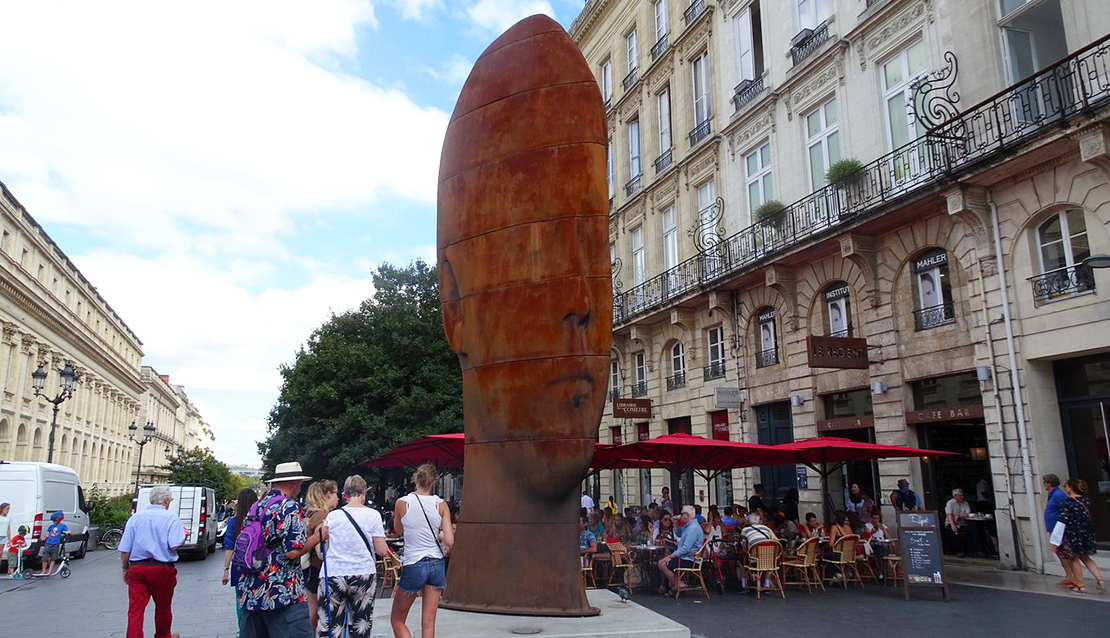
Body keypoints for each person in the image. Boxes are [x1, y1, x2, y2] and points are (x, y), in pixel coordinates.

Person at [238, 461, 326, 638]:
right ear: (294, 483)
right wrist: (318, 537)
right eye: (300, 484)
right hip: (281, 591)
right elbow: (293, 551)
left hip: (252, 590)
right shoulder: (290, 507)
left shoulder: (258, 505)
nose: (300, 488)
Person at [318, 474, 388, 638]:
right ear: (364, 492)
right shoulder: (373, 515)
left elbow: (326, 547)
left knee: (330, 629)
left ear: (345, 494)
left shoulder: (332, 516)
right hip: (362, 574)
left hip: (333, 575)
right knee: (360, 628)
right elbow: (381, 550)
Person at [391, 465, 454, 638]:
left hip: (414, 563)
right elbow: (449, 540)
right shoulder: (440, 504)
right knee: (428, 624)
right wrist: (439, 535)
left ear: (415, 479)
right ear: (433, 481)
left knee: (397, 620)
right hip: (436, 563)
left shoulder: (403, 503)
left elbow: (398, 530)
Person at [119, 485, 186, 638]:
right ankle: (163, 635)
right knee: (163, 607)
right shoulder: (171, 518)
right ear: (166, 501)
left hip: (138, 568)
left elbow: (125, 549)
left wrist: (125, 568)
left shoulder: (135, 518)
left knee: (135, 610)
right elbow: (174, 544)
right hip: (162, 568)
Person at [1056, 478, 1105, 593]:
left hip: (1073, 532)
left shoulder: (1067, 501)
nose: (1065, 488)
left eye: (1066, 486)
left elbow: (1063, 518)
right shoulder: (1087, 500)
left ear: (1071, 487)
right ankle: (1100, 580)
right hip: (1087, 531)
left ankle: (1080, 585)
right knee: (1086, 557)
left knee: (1074, 559)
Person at [222, 488, 259, 627]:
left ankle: (243, 629)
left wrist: (226, 569)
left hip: (239, 566)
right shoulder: (259, 520)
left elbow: (229, 547)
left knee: (241, 601)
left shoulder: (234, 522)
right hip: (258, 564)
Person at [303, 480, 337, 632]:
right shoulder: (321, 516)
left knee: (312, 606)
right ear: (328, 494)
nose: (338, 497)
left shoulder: (310, 512)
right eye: (336, 493)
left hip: (310, 567)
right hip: (318, 567)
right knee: (317, 609)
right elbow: (321, 550)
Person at [656, 505, 704, 596]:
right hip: (686, 557)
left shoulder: (692, 528)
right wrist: (676, 524)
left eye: (682, 514)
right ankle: (675, 584)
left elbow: (686, 548)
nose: (680, 516)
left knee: (662, 563)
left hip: (689, 559)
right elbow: (677, 533)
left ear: (687, 515)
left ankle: (677, 584)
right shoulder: (688, 526)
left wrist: (671, 556)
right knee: (662, 562)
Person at [945, 489, 972, 557]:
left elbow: (968, 513)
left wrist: (959, 516)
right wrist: (953, 525)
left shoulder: (965, 503)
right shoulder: (950, 503)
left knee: (974, 530)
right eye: (960, 496)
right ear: (955, 496)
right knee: (953, 531)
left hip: (963, 523)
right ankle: (959, 551)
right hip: (952, 523)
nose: (962, 497)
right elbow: (949, 515)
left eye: (963, 495)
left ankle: (976, 550)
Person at [40, 511, 68, 576]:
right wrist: (44, 537)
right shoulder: (51, 527)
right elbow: (48, 534)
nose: (53, 522)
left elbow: (67, 531)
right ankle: (43, 571)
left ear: (58, 520)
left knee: (53, 558)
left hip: (55, 543)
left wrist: (67, 532)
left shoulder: (62, 526)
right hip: (48, 543)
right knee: (45, 557)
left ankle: (49, 572)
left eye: (54, 520)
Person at [0, 503, 10, 573]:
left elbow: (8, 529)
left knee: (0, 553)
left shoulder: (8, 518)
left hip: (3, 536)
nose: (8, 510)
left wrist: (9, 539)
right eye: (7, 508)